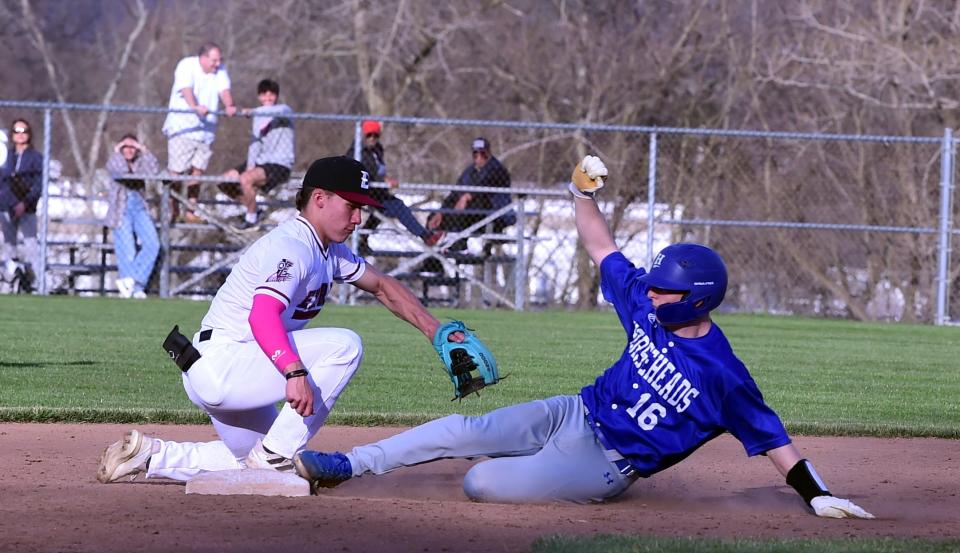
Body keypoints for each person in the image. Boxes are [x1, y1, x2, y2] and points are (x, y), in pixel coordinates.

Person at [293, 155, 875, 520]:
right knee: (467, 430)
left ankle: (536, 468)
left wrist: (815, 494)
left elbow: (775, 441)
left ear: (696, 300)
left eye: (664, 292)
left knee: (480, 480)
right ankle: (348, 465)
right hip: (574, 410)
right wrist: (580, 195)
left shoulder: (723, 376)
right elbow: (602, 246)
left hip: (609, 462)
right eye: (651, 288)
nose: (649, 295)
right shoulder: (647, 307)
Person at [95, 156, 469, 484]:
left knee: (257, 461)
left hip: (229, 369)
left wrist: (435, 331)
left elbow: (383, 285)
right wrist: (294, 371)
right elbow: (263, 315)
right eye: (352, 205)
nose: (358, 218)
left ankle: (151, 455)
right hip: (227, 366)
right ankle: (274, 458)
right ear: (319, 198)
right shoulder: (293, 247)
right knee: (345, 346)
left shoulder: (328, 250)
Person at [161, 42, 236, 223]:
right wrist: (194, 106)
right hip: (183, 128)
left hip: (206, 131)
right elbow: (185, 89)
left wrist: (229, 105)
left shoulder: (220, 69)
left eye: (219, 60)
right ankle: (173, 209)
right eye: (213, 60)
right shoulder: (187, 65)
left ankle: (191, 210)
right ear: (203, 58)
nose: (217, 64)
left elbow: (224, 90)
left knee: (198, 172)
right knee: (176, 173)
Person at [348, 120, 443, 252]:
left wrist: (384, 181)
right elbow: (364, 170)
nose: (372, 139)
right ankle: (426, 236)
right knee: (396, 206)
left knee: (388, 208)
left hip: (376, 190)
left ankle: (363, 237)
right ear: (363, 135)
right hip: (360, 190)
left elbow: (378, 168)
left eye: (375, 135)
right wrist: (383, 179)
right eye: (369, 135)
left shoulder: (378, 149)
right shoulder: (356, 151)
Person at [218, 78, 295, 230]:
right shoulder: (258, 117)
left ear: (276, 96)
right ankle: (254, 208)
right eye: (264, 94)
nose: (267, 98)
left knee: (246, 179)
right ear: (259, 97)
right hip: (261, 162)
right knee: (224, 181)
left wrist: (253, 111)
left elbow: (277, 111)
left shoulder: (284, 111)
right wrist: (250, 165)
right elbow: (255, 144)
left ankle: (251, 219)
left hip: (279, 164)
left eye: (271, 94)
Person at [430, 136, 514, 253]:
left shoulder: (498, 169)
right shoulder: (469, 171)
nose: (479, 158)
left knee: (469, 206)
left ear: (489, 153)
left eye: (483, 154)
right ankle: (431, 259)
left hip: (492, 215)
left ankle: (459, 243)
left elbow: (488, 185)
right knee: (433, 217)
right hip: (466, 214)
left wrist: (468, 196)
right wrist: (442, 211)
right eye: (475, 154)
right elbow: (455, 193)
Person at [105, 134, 161, 299]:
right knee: (127, 251)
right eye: (125, 147)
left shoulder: (141, 162)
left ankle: (134, 282)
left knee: (153, 244)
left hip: (140, 208)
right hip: (121, 209)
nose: (129, 151)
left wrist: (143, 150)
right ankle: (131, 289)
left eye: (132, 147)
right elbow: (119, 172)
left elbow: (154, 169)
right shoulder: (115, 161)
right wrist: (117, 151)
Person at [0, 117, 43, 291]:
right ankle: (9, 285)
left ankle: (39, 285)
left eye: (23, 131)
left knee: (31, 245)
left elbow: (38, 185)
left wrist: (24, 203)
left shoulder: (35, 157)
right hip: (6, 208)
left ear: (29, 134)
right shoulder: (6, 155)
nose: (20, 134)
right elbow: (3, 182)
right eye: (16, 131)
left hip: (27, 208)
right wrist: (11, 203)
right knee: (9, 246)